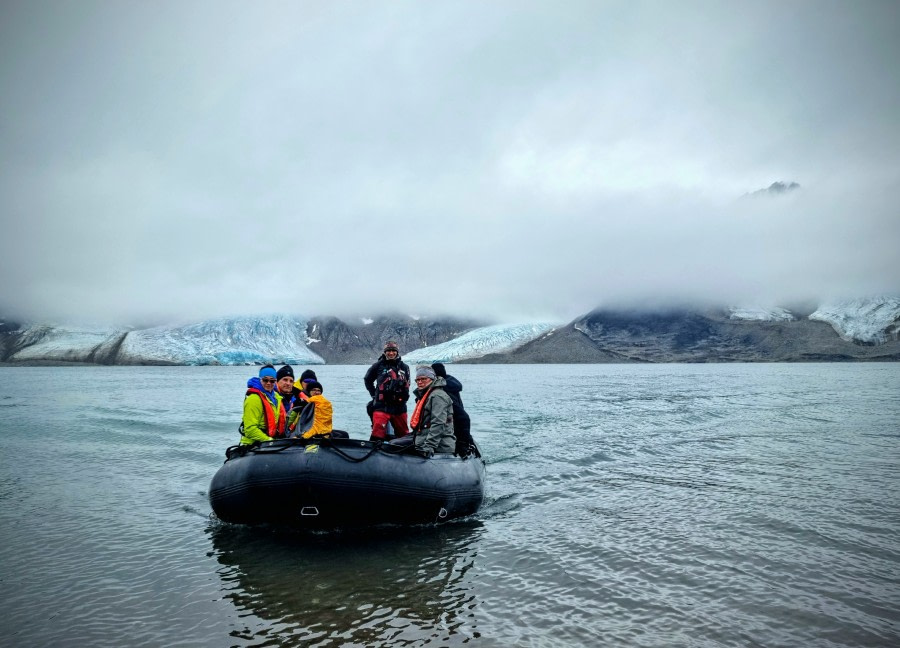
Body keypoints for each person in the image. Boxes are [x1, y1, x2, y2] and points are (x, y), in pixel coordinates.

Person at [364, 340, 411, 442]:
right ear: (384, 352)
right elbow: (367, 380)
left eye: (393, 350)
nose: (391, 353)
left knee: (403, 433)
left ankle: (403, 453)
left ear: (397, 352)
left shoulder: (405, 367)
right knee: (377, 432)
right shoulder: (377, 366)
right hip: (382, 406)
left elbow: (408, 383)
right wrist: (374, 395)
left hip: (399, 407)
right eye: (388, 350)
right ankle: (373, 452)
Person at [409, 365, 455, 457]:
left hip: (440, 445)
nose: (420, 382)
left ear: (431, 379)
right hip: (422, 439)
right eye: (417, 380)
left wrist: (429, 446)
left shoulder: (437, 396)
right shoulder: (427, 395)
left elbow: (438, 423)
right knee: (394, 443)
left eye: (423, 379)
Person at [432, 362, 475, 456]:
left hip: (452, 427)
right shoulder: (451, 386)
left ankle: (463, 444)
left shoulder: (442, 392)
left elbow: (463, 417)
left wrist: (462, 444)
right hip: (451, 426)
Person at [239, 364, 287, 445]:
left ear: (275, 381)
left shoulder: (276, 397)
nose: (269, 383)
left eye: (272, 381)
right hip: (253, 444)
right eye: (265, 380)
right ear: (260, 379)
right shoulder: (254, 399)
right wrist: (269, 440)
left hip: (267, 443)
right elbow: (250, 429)